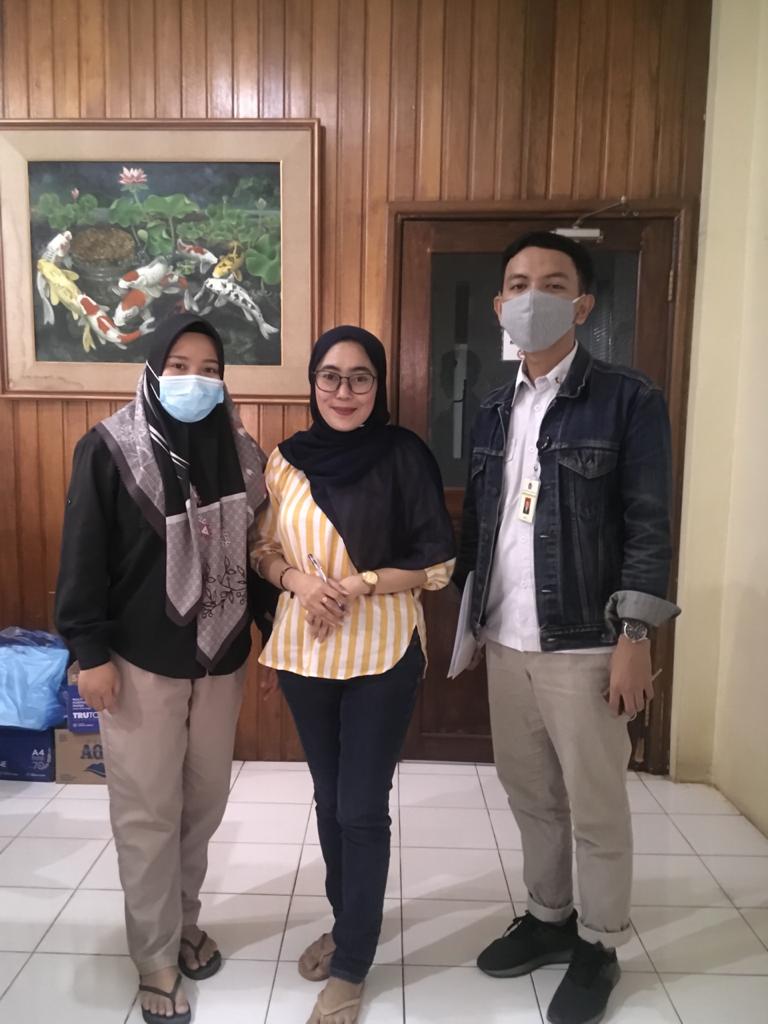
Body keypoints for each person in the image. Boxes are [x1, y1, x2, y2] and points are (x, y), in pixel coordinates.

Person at [454, 233, 680, 1024]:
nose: (532, 297)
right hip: (506, 639)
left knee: (596, 804)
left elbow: (649, 524)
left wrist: (635, 638)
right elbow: (483, 521)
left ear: (582, 305)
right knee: (531, 795)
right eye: (517, 283)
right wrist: (468, 620)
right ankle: (549, 916)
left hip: (587, 640)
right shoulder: (493, 406)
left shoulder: (628, 398)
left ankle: (600, 942)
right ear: (499, 305)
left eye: (552, 284)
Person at [55, 313, 270, 1024]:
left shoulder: (241, 452)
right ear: (153, 369)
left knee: (201, 806)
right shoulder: (109, 448)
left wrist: (269, 628)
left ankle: (183, 922)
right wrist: (89, 653)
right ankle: (154, 956)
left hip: (220, 660)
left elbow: (256, 553)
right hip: (137, 662)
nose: (194, 380)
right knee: (148, 812)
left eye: (210, 369)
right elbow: (82, 555)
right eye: (179, 366)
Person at [252, 325, 455, 1024]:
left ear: (379, 385)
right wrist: (299, 584)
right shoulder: (285, 461)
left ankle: (351, 965)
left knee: (361, 807)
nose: (344, 391)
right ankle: (348, 924)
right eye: (331, 376)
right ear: (313, 383)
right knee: (329, 796)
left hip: (383, 650)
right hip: (307, 652)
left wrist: (359, 583)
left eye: (360, 377)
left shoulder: (404, 454)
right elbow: (261, 549)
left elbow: (437, 561)